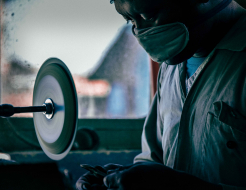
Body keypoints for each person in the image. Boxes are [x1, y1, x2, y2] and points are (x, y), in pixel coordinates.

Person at [76, 0, 246, 189]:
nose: (141, 32)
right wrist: (123, 179)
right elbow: (155, 159)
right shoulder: (171, 67)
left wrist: (177, 185)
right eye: (130, 21)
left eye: (148, 16)